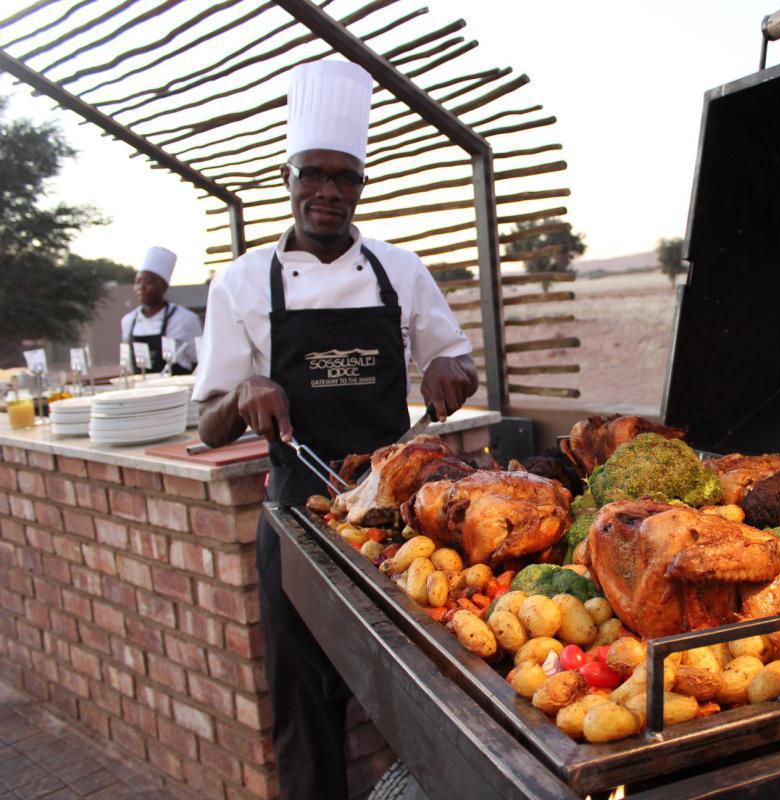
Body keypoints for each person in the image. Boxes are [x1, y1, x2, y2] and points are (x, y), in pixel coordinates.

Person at [191, 60, 477, 800]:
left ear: (361, 186)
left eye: (344, 179)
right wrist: (247, 388)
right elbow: (209, 422)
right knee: (303, 701)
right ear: (288, 177)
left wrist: (452, 370)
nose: (327, 192)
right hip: (298, 510)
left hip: (392, 511)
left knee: (421, 685)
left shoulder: (400, 270)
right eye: (312, 175)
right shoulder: (242, 282)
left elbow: (455, 358)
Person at [119, 246, 202, 374]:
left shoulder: (185, 319)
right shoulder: (128, 321)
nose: (141, 287)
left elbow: (200, 360)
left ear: (163, 286)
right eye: (138, 282)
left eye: (148, 281)